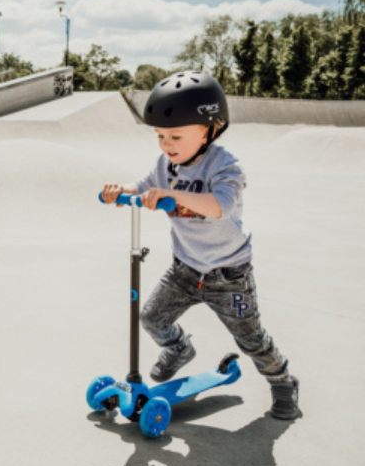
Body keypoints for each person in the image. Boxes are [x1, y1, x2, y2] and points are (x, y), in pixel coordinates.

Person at [102, 71, 300, 420]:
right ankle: (178, 349)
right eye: (160, 136)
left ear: (210, 129)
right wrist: (122, 190)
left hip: (229, 276)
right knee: (151, 317)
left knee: (250, 339)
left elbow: (219, 206)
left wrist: (171, 195)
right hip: (185, 269)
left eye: (175, 135)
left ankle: (283, 381)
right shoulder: (165, 165)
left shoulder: (224, 165)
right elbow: (144, 186)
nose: (166, 144)